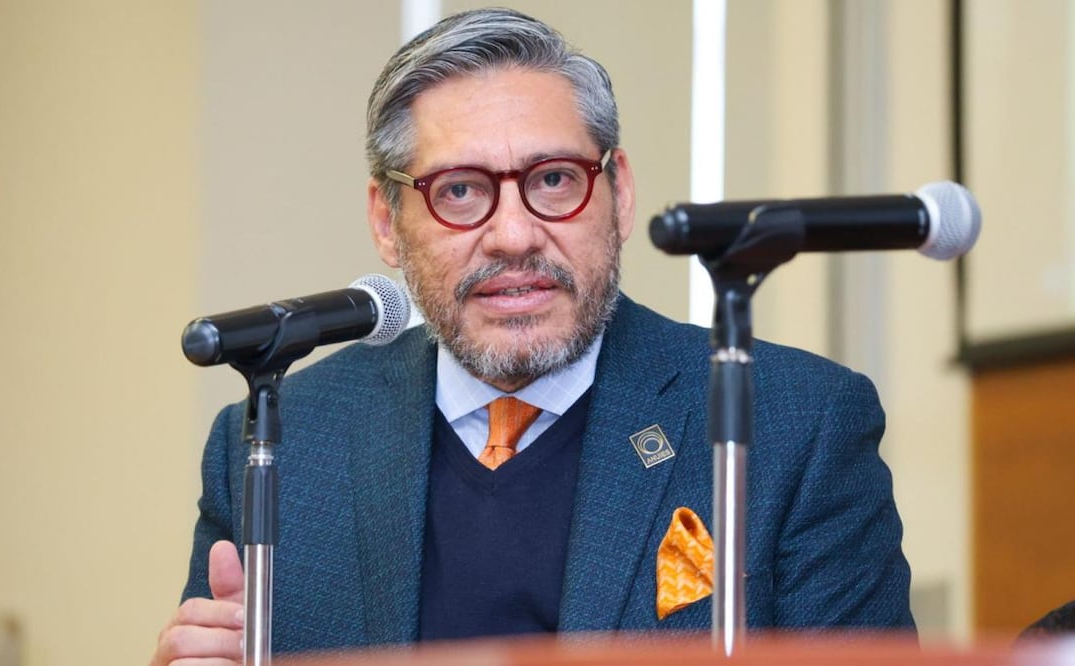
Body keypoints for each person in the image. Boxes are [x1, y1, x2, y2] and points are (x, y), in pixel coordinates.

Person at [151, 7, 914, 664]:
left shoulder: (795, 426)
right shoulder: (280, 445)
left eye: (552, 179)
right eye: (459, 191)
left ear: (619, 194)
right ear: (387, 223)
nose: (513, 235)